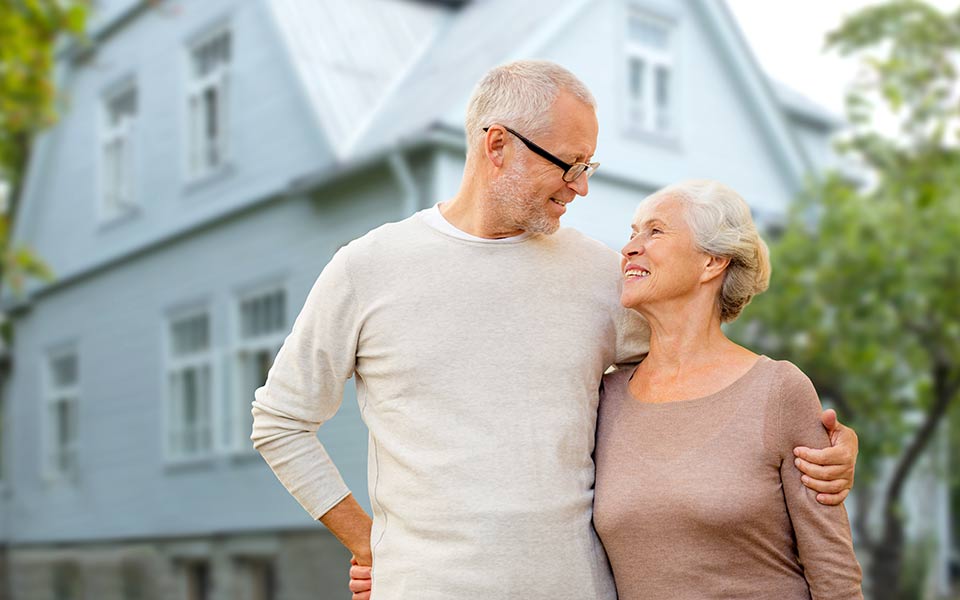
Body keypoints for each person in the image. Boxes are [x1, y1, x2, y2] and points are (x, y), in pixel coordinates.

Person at [251, 60, 858, 600]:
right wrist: (368, 542)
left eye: (589, 166)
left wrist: (820, 448)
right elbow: (281, 422)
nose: (582, 186)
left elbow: (703, 376)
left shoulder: (601, 275)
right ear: (497, 147)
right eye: (569, 164)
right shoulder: (368, 267)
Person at [593, 180, 863, 598]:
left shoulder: (778, 390)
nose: (629, 247)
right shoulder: (605, 397)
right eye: (632, 233)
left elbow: (834, 571)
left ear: (712, 262)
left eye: (655, 231)